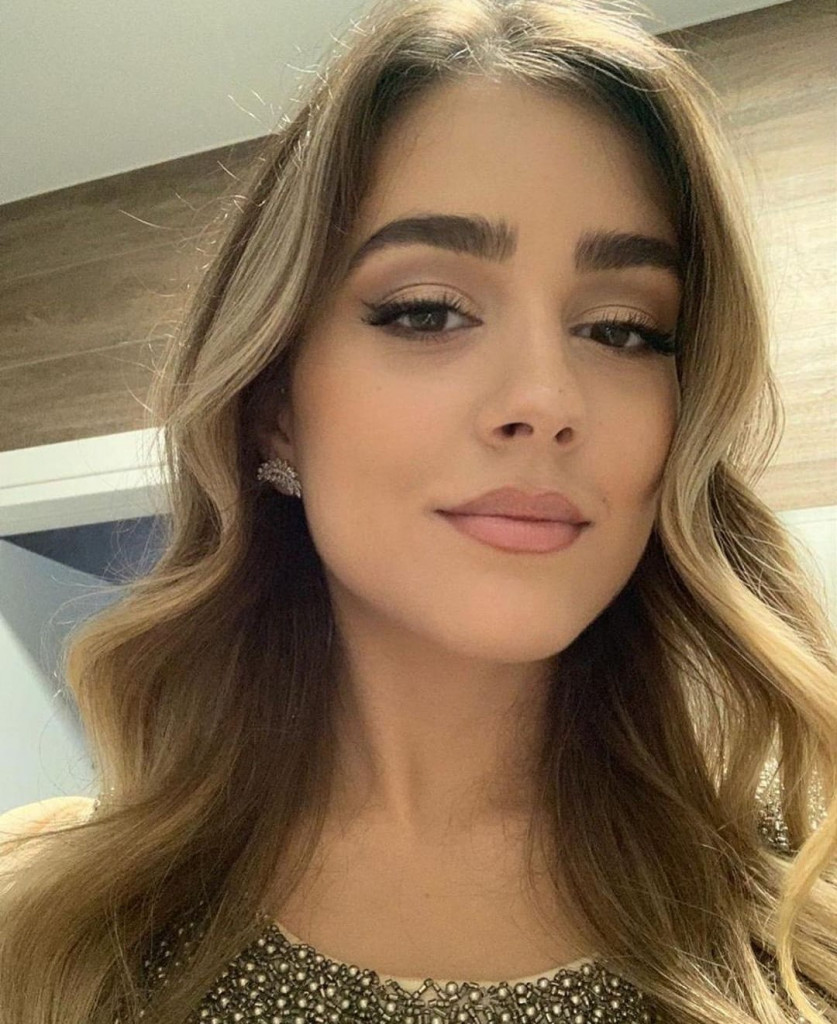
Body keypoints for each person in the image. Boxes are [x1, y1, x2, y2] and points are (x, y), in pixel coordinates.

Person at [1, 0, 835, 1021]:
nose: (546, 399)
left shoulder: (802, 905)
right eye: (428, 312)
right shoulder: (53, 933)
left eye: (621, 329)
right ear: (274, 410)